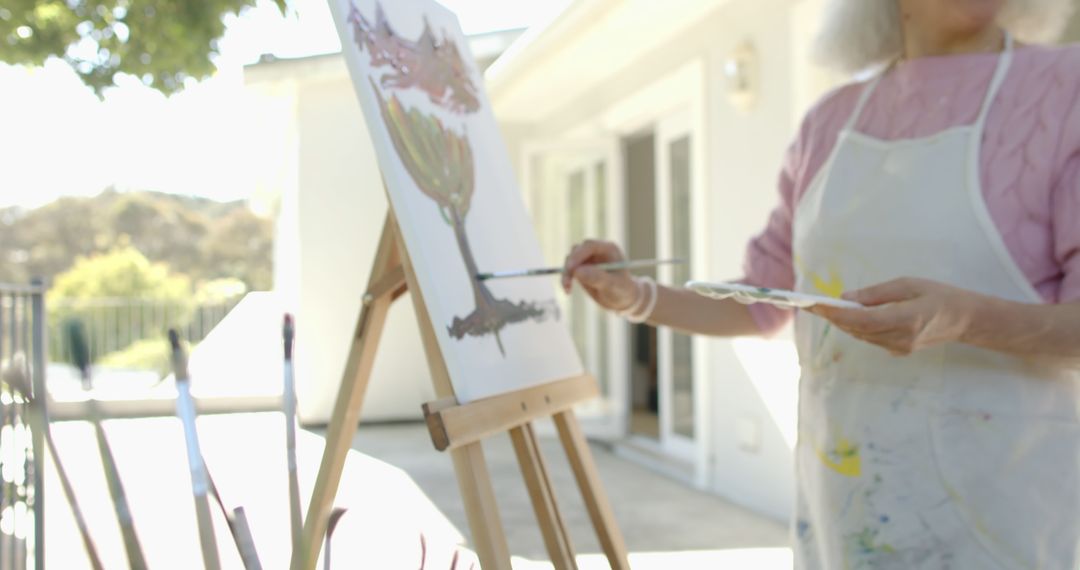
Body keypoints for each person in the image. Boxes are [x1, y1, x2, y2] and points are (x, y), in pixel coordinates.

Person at [560, 0, 1080, 568]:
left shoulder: (1065, 88)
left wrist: (960, 320)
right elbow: (761, 301)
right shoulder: (830, 120)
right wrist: (634, 296)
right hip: (849, 506)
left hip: (1003, 517)